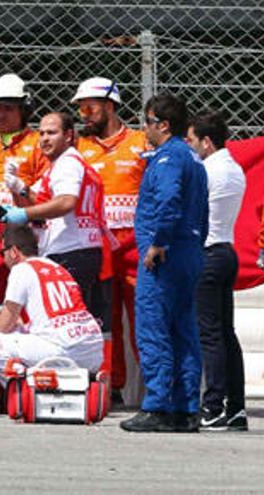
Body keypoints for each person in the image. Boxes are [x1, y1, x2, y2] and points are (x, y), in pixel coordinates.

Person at [119, 94, 208, 433]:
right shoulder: (194, 158)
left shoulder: (168, 158)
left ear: (164, 125)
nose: (145, 128)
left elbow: (168, 201)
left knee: (154, 327)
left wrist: (158, 242)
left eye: (149, 122)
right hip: (189, 251)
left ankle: (157, 405)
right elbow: (201, 209)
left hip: (165, 255)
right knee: (184, 329)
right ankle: (186, 408)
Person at [72, 76, 149, 398]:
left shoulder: (142, 142)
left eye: (89, 107)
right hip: (97, 247)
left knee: (143, 318)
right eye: (80, 110)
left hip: (136, 247)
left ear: (109, 105)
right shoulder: (78, 147)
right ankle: (111, 387)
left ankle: (155, 390)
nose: (85, 115)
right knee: (103, 320)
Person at [2, 112, 108, 324]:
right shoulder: (65, 163)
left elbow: (66, 202)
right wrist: (18, 187)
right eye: (41, 133)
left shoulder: (67, 163)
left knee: (62, 320)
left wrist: (24, 214)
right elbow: (39, 200)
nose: (44, 139)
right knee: (72, 319)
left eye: (52, 133)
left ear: (68, 136)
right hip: (79, 249)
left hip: (70, 251)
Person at [0, 225, 103, 383]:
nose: (3, 258)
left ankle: (24, 387)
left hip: (64, 350)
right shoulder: (57, 267)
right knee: (20, 333)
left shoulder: (21, 269)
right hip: (93, 352)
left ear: (13, 251)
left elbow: (3, 325)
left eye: (3, 253)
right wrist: (2, 310)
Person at [186, 110, 248, 431]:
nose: (189, 145)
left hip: (207, 253)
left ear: (206, 142)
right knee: (226, 334)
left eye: (192, 140)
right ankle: (236, 408)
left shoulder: (205, 170)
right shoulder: (234, 168)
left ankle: (212, 407)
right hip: (227, 250)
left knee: (209, 334)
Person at [0, 73, 49, 207]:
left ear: (24, 111)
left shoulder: (39, 143)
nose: (2, 115)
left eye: (9, 108)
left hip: (24, 222)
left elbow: (46, 195)